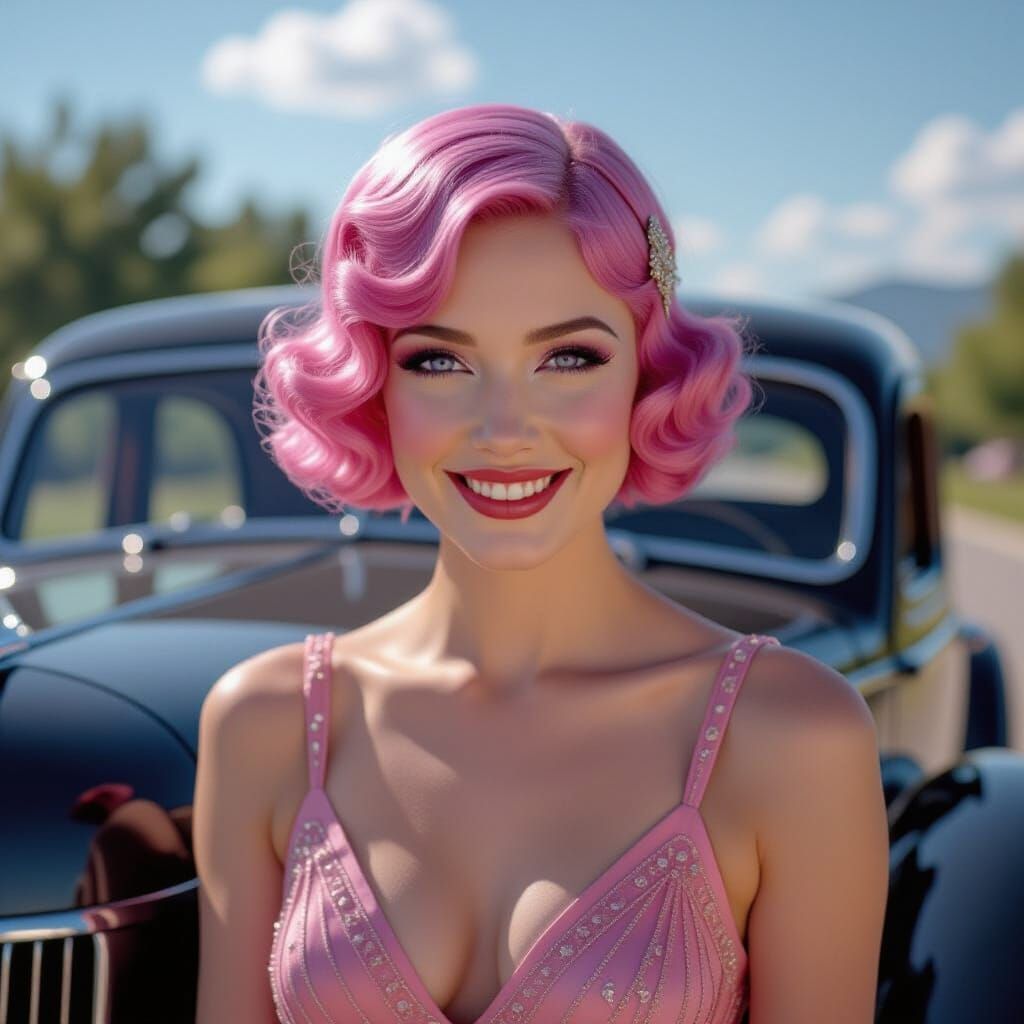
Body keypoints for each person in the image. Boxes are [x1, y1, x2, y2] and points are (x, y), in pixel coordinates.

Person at [192, 103, 889, 1024]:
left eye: (568, 357)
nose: (506, 430)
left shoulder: (793, 737)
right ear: (374, 382)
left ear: (647, 372)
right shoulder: (265, 724)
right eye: (440, 362)